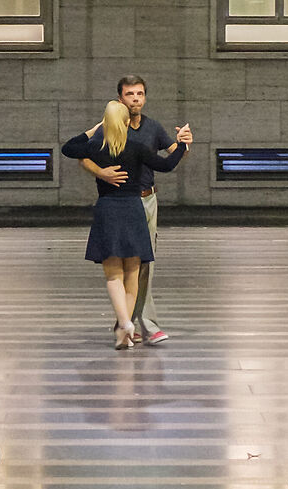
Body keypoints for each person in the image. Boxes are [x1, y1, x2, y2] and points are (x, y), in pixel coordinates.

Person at [63, 97, 192, 347]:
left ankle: (124, 323)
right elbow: (166, 165)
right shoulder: (136, 146)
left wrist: (96, 127)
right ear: (125, 121)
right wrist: (182, 145)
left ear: (106, 121)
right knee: (132, 272)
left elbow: (69, 148)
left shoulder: (95, 146)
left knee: (113, 275)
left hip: (108, 209)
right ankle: (125, 332)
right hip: (133, 209)